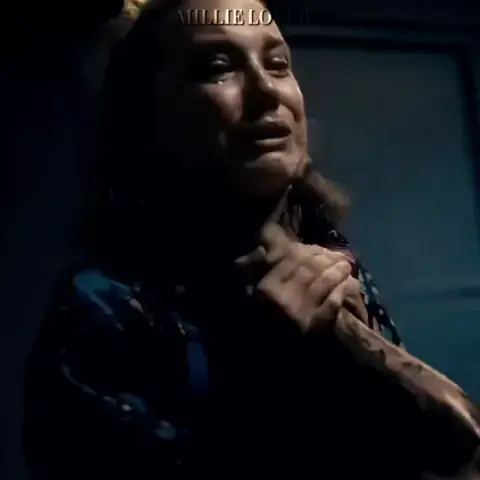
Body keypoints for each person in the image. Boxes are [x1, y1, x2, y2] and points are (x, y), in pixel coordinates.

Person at [22, 0, 480, 479]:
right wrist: (257, 380)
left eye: (278, 64)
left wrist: (356, 359)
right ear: (145, 117)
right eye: (217, 68)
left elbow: (450, 443)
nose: (266, 91)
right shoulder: (100, 311)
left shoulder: (327, 256)